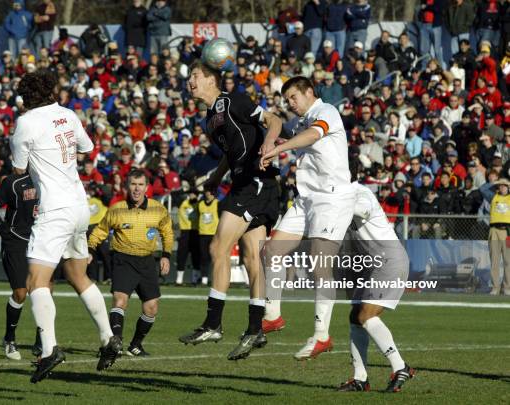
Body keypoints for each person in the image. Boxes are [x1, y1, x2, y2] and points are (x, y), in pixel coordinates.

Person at [10, 69, 116, 383]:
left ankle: (49, 348)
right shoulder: (68, 114)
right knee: (76, 273)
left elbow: (18, 168)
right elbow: (87, 148)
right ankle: (108, 337)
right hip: (79, 205)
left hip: (54, 209)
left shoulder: (25, 122)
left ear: (26, 97)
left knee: (36, 280)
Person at [178, 60, 283, 361]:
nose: (191, 82)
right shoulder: (209, 119)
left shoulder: (233, 100)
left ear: (211, 79)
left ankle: (213, 323)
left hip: (257, 182)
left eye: (195, 76)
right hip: (241, 184)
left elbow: (273, 120)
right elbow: (229, 153)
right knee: (252, 258)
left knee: (217, 247)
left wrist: (269, 145)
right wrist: (214, 177)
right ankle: (255, 329)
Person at [260, 76, 355, 360]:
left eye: (293, 98)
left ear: (309, 92)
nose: (290, 103)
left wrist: (278, 148)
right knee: (272, 250)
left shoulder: (326, 112)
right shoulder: (303, 121)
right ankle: (272, 315)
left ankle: (321, 336)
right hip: (307, 200)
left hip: (333, 198)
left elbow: (314, 135)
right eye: (287, 99)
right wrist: (271, 142)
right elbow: (296, 136)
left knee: (319, 265)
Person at [337, 182, 415, 392]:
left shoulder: (360, 192)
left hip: (389, 260)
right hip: (370, 264)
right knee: (355, 317)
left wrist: (331, 204)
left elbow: (363, 209)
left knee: (366, 316)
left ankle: (401, 367)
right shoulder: (337, 195)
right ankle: (360, 378)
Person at [87, 169, 173, 357]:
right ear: (127, 186)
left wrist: (166, 255)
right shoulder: (116, 209)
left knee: (151, 307)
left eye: (140, 184)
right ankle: (114, 345)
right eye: (133, 184)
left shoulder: (158, 209)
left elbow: (167, 232)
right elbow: (99, 231)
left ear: (147, 187)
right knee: (120, 300)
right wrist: (91, 250)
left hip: (147, 261)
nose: (136, 189)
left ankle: (135, 345)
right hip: (123, 259)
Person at [0, 171, 42, 360]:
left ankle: (42, 340)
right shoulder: (14, 182)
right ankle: (9, 339)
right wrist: (0, 226)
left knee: (43, 290)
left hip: (40, 240)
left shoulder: (50, 177)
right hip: (16, 240)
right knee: (20, 292)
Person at [485, 177, 510, 295]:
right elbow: (482, 188)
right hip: (494, 230)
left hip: (507, 232)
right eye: (500, 185)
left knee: (508, 261)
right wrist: (495, 182)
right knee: (494, 261)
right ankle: (495, 287)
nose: (502, 187)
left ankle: (507, 288)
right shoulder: (493, 196)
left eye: (505, 185)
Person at [175, 190, 200, 286]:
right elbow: (174, 194)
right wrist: (186, 189)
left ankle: (194, 279)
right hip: (184, 231)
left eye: (194, 194)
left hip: (195, 231)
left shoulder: (200, 204)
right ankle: (179, 280)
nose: (192, 195)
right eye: (191, 194)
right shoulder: (183, 202)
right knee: (181, 255)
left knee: (195, 256)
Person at [197, 186, 219, 286]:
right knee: (203, 257)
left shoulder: (217, 203)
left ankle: (216, 279)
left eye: (209, 191)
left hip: (214, 234)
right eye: (206, 191)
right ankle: (204, 279)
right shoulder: (200, 204)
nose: (207, 193)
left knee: (215, 257)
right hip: (203, 234)